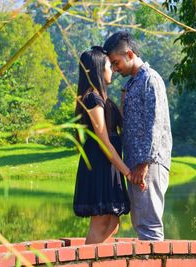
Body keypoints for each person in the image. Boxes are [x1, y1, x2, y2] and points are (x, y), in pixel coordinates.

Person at [103, 31, 173, 241]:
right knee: (141, 224)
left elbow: (155, 124)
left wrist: (143, 164)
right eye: (112, 65)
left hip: (149, 165)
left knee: (149, 226)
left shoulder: (150, 80)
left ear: (130, 54)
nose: (115, 69)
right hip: (136, 164)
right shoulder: (133, 83)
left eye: (116, 63)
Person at [73, 46, 134, 244]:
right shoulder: (92, 98)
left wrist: (124, 102)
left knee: (112, 223)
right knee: (100, 223)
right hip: (100, 166)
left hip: (109, 167)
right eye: (109, 65)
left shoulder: (103, 99)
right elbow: (103, 141)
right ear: (99, 69)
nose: (113, 70)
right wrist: (127, 172)